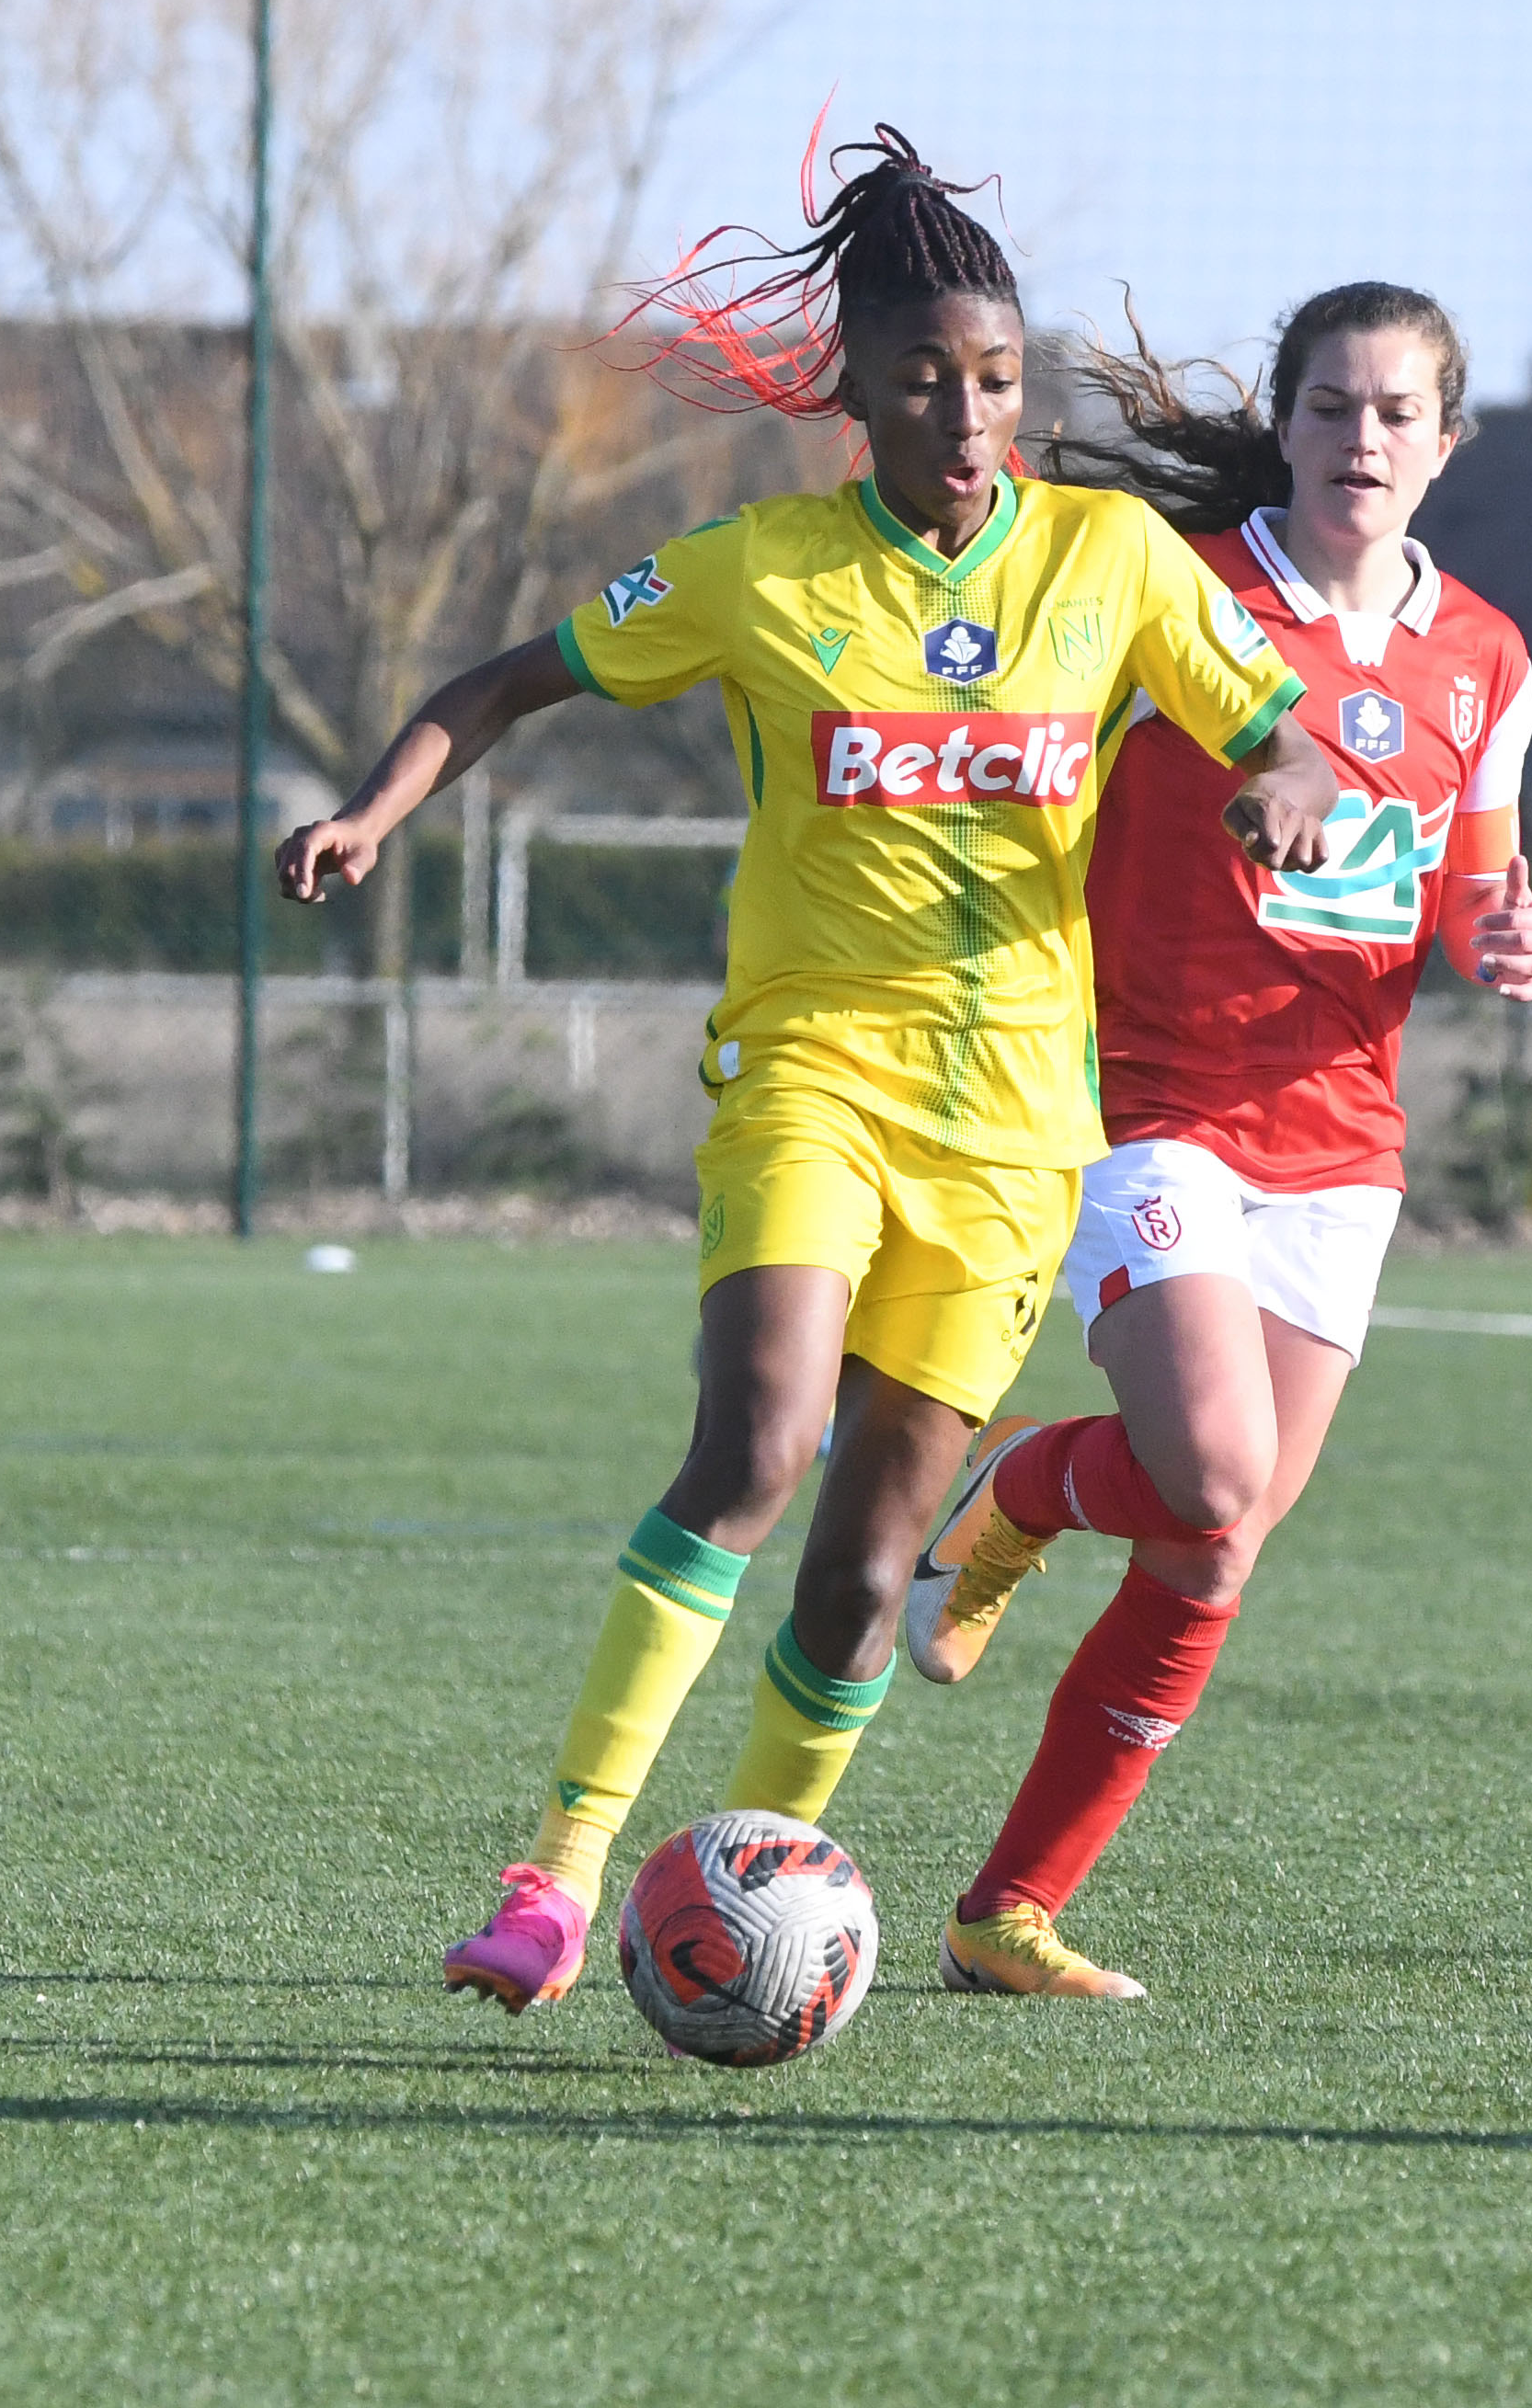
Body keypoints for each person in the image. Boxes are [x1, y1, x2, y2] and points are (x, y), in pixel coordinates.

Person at [272, 128, 1335, 2013]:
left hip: (1017, 1134)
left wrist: (1281, 792)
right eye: (928, 378)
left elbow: (1290, 738)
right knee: (755, 1443)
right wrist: (373, 807)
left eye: (999, 378)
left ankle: (746, 1898)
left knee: (859, 1574)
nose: (970, 412)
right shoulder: (760, 573)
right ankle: (560, 1873)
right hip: (810, 1077)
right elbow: (504, 682)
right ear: (849, 388)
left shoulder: (1110, 564)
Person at [897, 282, 1532, 1999]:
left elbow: (1475, 882)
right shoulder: (1172, 591)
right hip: (1148, 1098)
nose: (1361, 440)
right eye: (1331, 406)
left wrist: (1510, 933)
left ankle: (1003, 1911)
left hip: (1343, 1132)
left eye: (1397, 412)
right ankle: (1019, 1487)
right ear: (1284, 419)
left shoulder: (1481, 653)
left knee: (1214, 1543)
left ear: (1447, 442)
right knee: (1207, 1467)